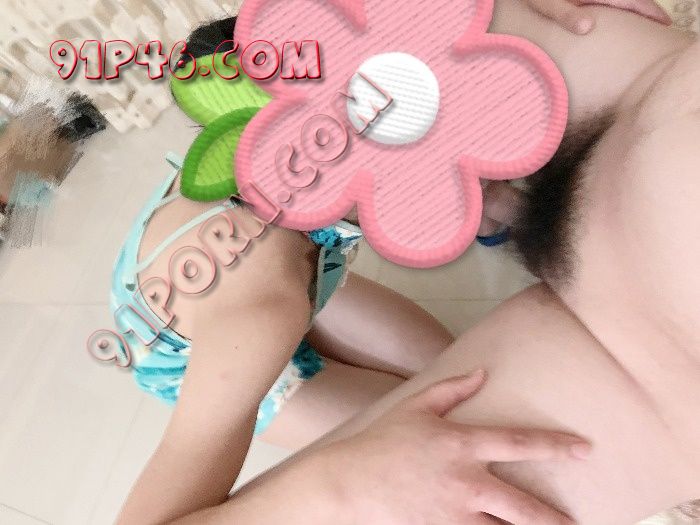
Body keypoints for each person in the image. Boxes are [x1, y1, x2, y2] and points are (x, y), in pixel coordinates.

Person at [125, 0, 698, 523]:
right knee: (412, 421)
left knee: (439, 364)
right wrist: (337, 490)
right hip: (201, 346)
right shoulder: (261, 310)